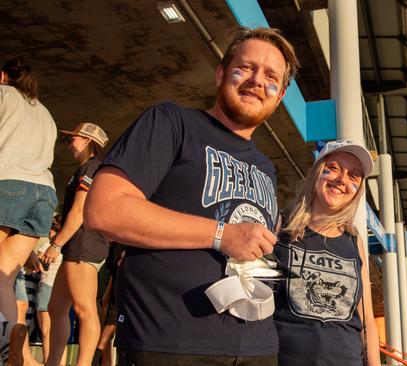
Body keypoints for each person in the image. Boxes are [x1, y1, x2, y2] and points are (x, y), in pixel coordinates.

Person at [83, 27, 299, 366]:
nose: (257, 80)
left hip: (257, 348)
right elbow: (104, 210)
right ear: (221, 73)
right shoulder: (171, 123)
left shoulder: (266, 168)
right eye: (246, 67)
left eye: (271, 76)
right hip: (171, 342)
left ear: (280, 95)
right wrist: (222, 235)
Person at [272, 139, 379, 366]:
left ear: (357, 191)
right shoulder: (280, 225)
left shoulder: (355, 240)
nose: (342, 180)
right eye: (333, 168)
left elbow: (367, 319)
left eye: (354, 176)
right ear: (317, 173)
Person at [0, 56, 58, 366]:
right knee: (3, 277)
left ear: (2, 76)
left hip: (7, 183)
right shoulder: (45, 113)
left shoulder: (2, 94)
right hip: (44, 195)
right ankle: (11, 346)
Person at [41, 122, 110, 366]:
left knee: (84, 309)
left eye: (73, 139)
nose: (69, 143)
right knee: (56, 308)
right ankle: (53, 362)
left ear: (87, 141)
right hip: (77, 245)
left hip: (84, 244)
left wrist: (56, 244)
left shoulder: (92, 168)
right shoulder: (84, 169)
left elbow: (80, 210)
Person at [34, 215, 66, 365]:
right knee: (59, 331)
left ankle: (49, 362)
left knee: (46, 331)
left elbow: (37, 264)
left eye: (53, 229)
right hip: (62, 290)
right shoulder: (69, 247)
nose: (50, 232)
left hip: (47, 286)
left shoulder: (48, 244)